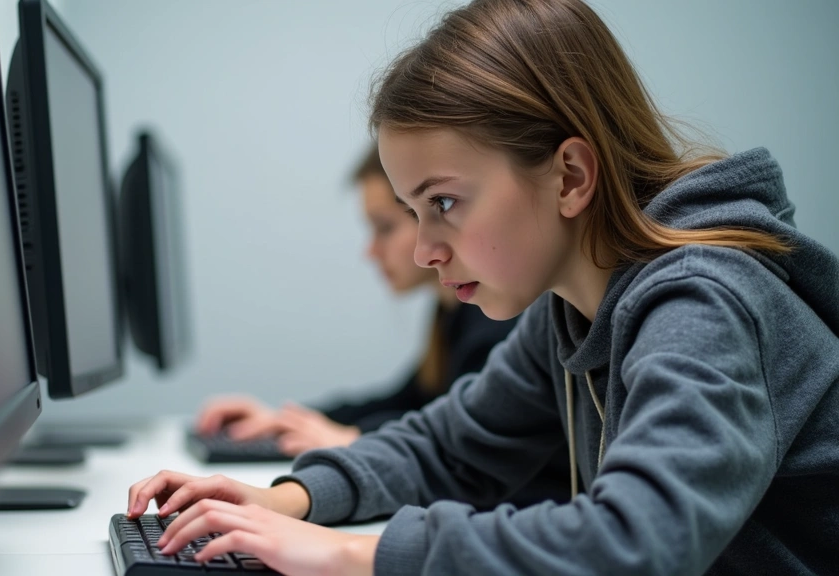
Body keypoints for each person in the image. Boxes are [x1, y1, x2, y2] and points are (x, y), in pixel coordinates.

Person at [127, 0, 839, 574]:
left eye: (443, 204)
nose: (423, 251)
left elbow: (636, 541)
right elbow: (451, 448)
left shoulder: (703, 304)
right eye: (412, 212)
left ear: (570, 176)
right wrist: (287, 499)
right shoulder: (570, 311)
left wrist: (350, 554)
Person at [193, 146, 525, 456]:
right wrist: (288, 419)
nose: (370, 252)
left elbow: (471, 440)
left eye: (385, 227)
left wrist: (357, 437)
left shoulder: (495, 320)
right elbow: (410, 403)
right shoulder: (453, 311)